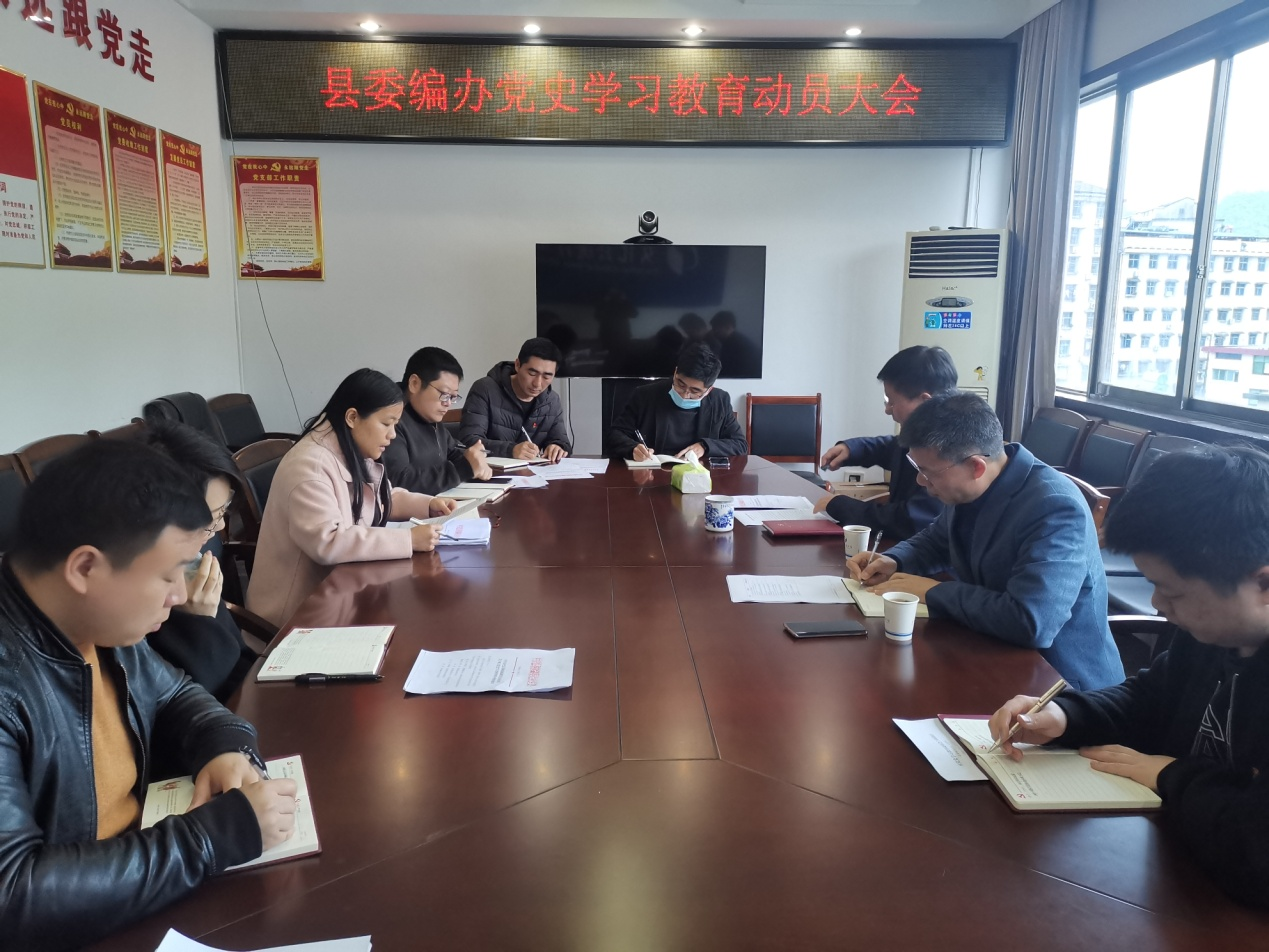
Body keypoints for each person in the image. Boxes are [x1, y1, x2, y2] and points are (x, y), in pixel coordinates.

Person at [0, 440, 297, 950]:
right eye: (167, 575)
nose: (180, 595)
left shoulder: (92, 620)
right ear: (85, 568)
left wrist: (224, 747)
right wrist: (209, 839)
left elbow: (176, 693)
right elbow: (13, 896)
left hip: (137, 891)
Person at [988, 445, 1269, 909]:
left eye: (1171, 591)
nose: (1157, 605)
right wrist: (1065, 716)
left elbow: (1257, 850)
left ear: (1262, 584)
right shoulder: (1210, 631)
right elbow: (1149, 699)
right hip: (1174, 861)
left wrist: (1170, 775)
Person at [849, 391, 1123, 691]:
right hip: (988, 649)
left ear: (976, 466)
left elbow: (1031, 621)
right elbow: (938, 539)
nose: (920, 481)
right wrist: (894, 560)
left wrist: (933, 591)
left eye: (927, 472)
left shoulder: (1054, 507)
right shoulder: (972, 485)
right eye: (918, 469)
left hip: (1058, 684)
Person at [247, 369, 455, 627]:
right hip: (294, 616)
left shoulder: (348, 445)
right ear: (353, 417)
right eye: (386, 423)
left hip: (339, 595)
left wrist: (428, 505)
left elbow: (380, 498)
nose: (392, 434)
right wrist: (409, 540)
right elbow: (329, 541)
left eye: (395, 425)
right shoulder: (309, 467)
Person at [141, 420, 257, 702]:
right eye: (213, 517)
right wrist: (198, 621)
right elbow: (179, 702)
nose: (220, 527)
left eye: (223, 513)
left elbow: (241, 660)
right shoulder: (135, 592)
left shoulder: (191, 561)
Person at [816, 345, 957, 540]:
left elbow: (910, 521)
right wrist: (851, 449)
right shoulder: (924, 435)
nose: (887, 410)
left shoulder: (949, 452)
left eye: (892, 401)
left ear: (924, 401)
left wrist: (839, 505)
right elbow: (890, 447)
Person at [608, 341, 749, 461]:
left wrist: (705, 447)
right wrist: (632, 448)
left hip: (698, 475)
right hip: (654, 472)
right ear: (675, 372)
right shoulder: (645, 395)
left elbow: (740, 444)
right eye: (681, 384)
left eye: (695, 391)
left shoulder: (720, 400)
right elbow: (615, 434)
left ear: (708, 390)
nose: (685, 395)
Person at [382, 346, 493, 495]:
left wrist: (474, 458)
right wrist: (463, 468)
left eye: (453, 397)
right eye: (445, 394)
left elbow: (452, 452)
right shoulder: (390, 420)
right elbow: (399, 482)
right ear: (414, 383)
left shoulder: (428, 416)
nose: (448, 403)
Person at [459, 337, 572, 462]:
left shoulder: (551, 400)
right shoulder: (485, 389)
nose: (537, 384)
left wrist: (558, 447)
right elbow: (468, 441)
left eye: (547, 377)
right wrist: (510, 450)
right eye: (532, 373)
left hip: (532, 472)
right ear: (518, 365)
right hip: (489, 470)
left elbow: (562, 442)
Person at [709, 310, 762, 378]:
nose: (713, 331)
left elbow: (729, 371)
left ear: (728, 327)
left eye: (716, 328)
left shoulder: (736, 345)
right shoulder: (733, 340)